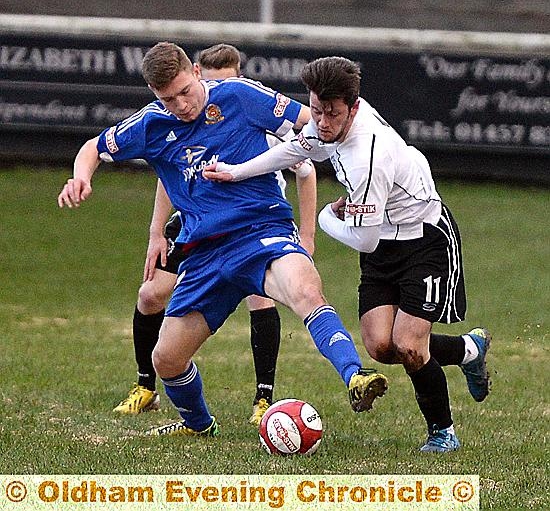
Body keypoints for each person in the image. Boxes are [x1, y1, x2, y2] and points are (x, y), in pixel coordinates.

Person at [57, 43, 388, 438]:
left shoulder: (239, 96)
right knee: (166, 359)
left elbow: (310, 120)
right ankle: (198, 425)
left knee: (306, 292)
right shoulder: (150, 125)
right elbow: (93, 147)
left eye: (185, 91)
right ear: (152, 92)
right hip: (203, 253)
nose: (181, 104)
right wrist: (82, 176)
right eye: (168, 98)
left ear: (196, 72)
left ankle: (355, 376)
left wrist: (358, 141)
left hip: (261, 232)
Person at [204, 56, 491, 452]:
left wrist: (322, 219)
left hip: (423, 238)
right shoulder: (326, 120)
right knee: (380, 346)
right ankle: (469, 350)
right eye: (317, 110)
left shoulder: (366, 154)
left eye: (333, 114)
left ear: (354, 108)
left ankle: (443, 434)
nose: (322, 122)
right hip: (381, 237)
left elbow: (365, 240)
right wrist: (235, 172)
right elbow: (295, 149)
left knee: (409, 344)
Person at [112, 43, 317, 427]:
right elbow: (168, 171)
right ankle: (146, 384)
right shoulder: (180, 114)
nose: (204, 96)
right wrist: (157, 231)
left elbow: (306, 172)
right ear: (197, 73)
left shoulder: (253, 110)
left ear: (238, 77)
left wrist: (307, 234)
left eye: (224, 82)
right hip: (196, 223)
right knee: (150, 293)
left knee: (260, 297)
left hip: (253, 223)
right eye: (207, 82)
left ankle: (263, 396)